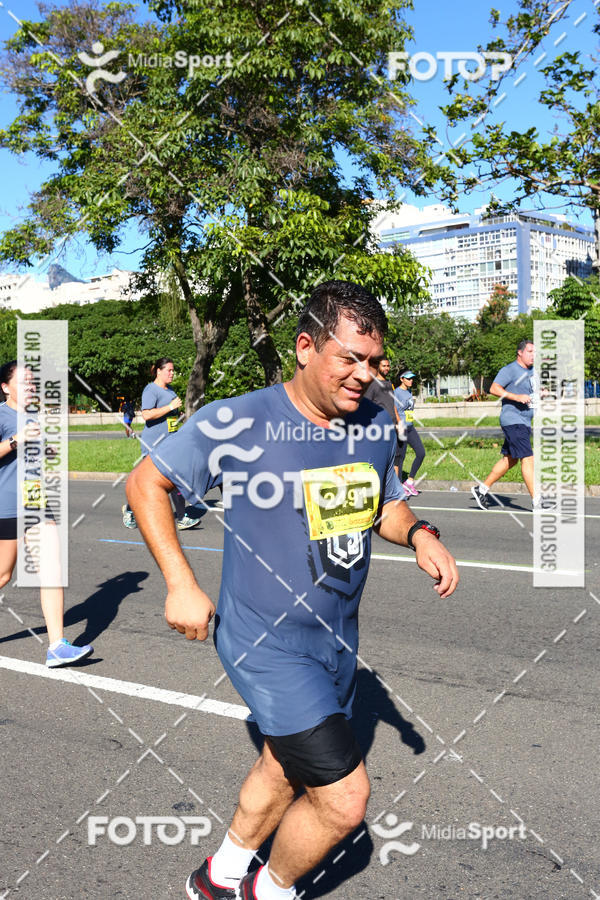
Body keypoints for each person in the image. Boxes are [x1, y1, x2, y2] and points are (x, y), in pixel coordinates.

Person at [126, 281, 459, 900]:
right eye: (349, 359)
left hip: (336, 640)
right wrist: (180, 583)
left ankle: (219, 876)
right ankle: (269, 891)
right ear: (305, 347)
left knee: (282, 763)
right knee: (344, 802)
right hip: (265, 639)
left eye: (374, 360)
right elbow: (146, 483)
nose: (364, 375)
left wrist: (419, 534)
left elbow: (379, 503)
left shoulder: (376, 422)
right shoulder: (240, 418)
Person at [0, 361, 93, 667]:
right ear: (5, 387)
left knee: (52, 565)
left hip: (36, 500)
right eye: (24, 382)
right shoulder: (2, 415)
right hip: (6, 504)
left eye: (33, 382)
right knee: (3, 573)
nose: (31, 386)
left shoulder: (36, 416)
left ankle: (57, 645)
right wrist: (16, 441)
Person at [121, 358, 200, 531]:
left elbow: (171, 416)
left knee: (174, 478)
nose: (172, 373)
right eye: (169, 370)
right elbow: (147, 415)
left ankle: (181, 517)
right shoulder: (151, 389)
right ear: (158, 371)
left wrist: (177, 416)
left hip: (169, 443)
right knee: (144, 481)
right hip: (153, 444)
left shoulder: (170, 390)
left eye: (173, 370)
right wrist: (170, 406)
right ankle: (130, 510)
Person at [471, 339, 535, 510]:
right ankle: (538, 502)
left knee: (511, 459)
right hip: (513, 420)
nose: (533, 355)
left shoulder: (533, 372)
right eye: (530, 351)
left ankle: (481, 489)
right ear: (520, 353)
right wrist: (516, 397)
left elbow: (532, 392)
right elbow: (493, 388)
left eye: (535, 352)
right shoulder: (509, 370)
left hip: (524, 421)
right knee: (528, 458)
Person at [394, 370, 426, 496]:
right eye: (408, 378)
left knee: (421, 453)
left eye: (412, 378)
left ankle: (409, 482)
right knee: (400, 458)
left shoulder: (409, 391)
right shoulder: (396, 393)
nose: (411, 380)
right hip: (401, 428)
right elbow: (393, 410)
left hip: (410, 427)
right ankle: (399, 486)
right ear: (402, 379)